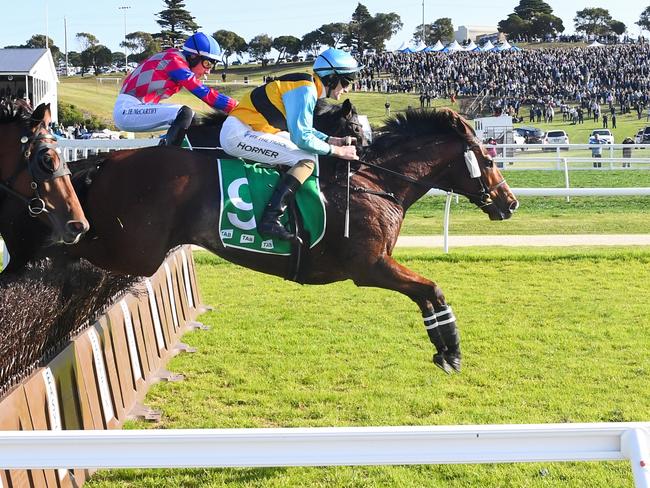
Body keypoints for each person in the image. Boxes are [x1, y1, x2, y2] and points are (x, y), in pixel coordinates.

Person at [220, 47, 361, 242]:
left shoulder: (307, 86)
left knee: (306, 154)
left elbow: (302, 130)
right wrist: (337, 151)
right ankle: (270, 220)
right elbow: (301, 137)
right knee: (307, 158)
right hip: (239, 134)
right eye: (345, 82)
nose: (346, 89)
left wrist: (329, 140)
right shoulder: (306, 89)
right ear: (330, 78)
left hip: (251, 130)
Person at [113, 32, 237, 146]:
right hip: (127, 110)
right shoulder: (175, 60)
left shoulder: (175, 58)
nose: (208, 71)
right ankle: (170, 154)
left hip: (137, 108)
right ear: (193, 57)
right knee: (185, 113)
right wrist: (235, 106)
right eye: (207, 63)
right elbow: (202, 92)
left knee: (192, 121)